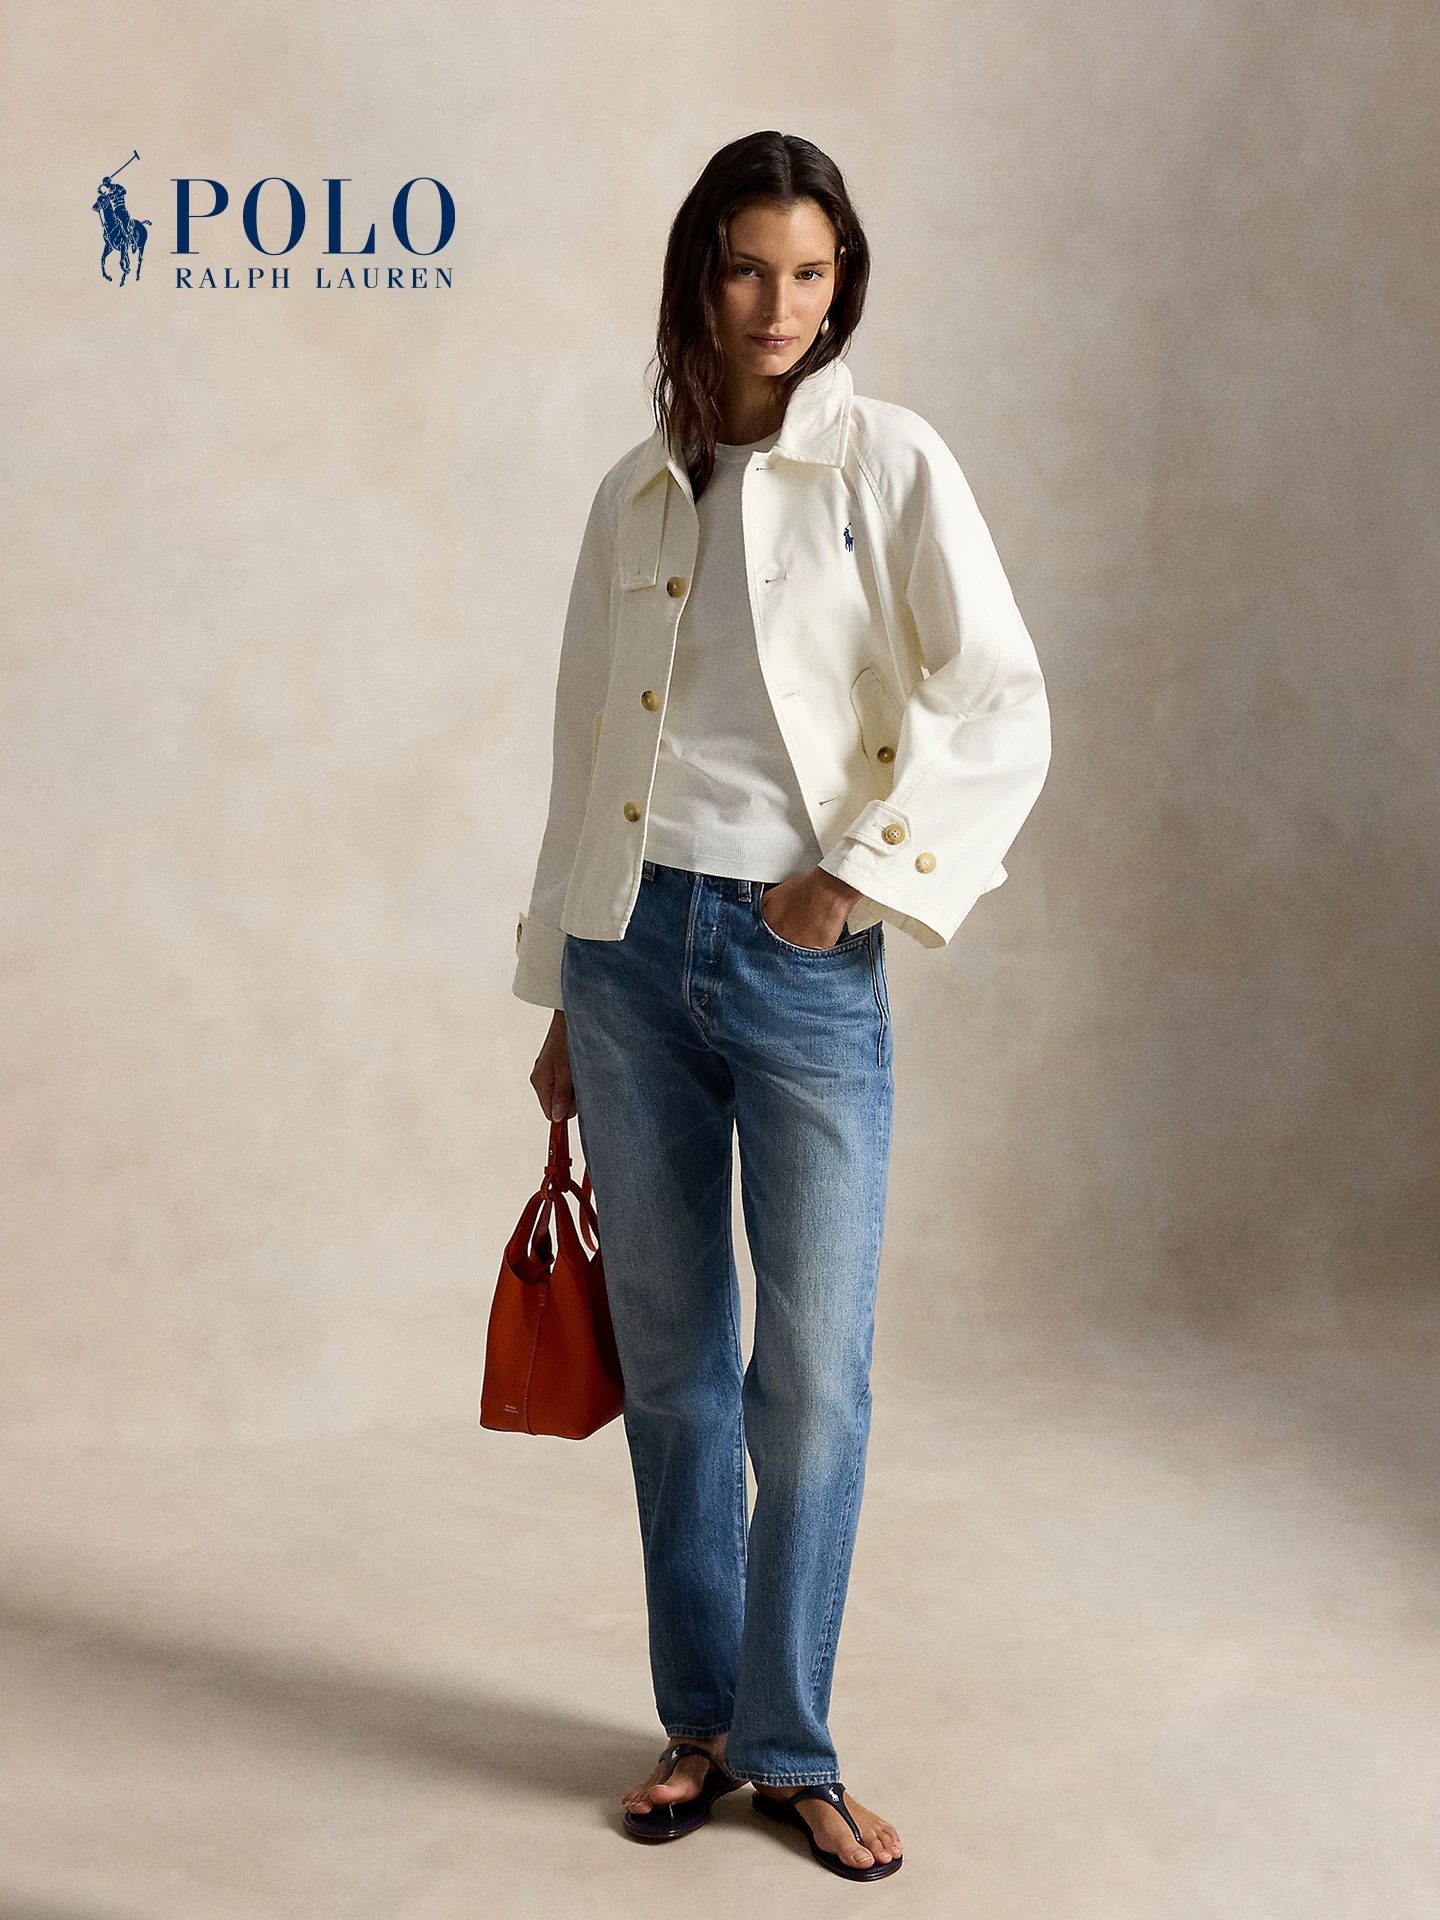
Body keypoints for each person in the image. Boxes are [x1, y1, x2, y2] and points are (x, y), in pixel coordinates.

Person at [512, 130, 1051, 1882]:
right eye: (748, 268)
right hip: (628, 959)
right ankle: (699, 1729)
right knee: (673, 1372)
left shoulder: (888, 464)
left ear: (842, 285)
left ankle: (791, 1746)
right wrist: (560, 984)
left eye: (810, 273)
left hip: (798, 955)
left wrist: (856, 881)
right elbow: (587, 751)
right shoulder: (635, 491)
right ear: (701, 276)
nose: (778, 306)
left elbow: (999, 701)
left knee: (809, 1381)